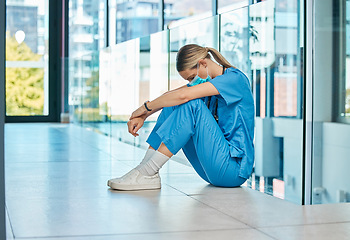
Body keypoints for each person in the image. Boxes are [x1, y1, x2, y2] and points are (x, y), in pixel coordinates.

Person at [107, 44, 255, 191]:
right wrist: (144, 115)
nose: (191, 83)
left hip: (233, 170)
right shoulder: (209, 84)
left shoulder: (235, 79)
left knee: (191, 104)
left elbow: (183, 95)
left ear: (203, 64)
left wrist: (142, 108)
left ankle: (149, 172)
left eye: (192, 77)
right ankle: (144, 169)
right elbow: (171, 96)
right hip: (209, 170)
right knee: (173, 103)